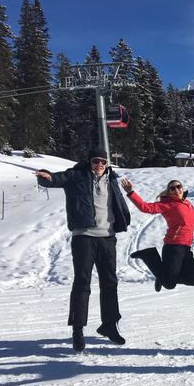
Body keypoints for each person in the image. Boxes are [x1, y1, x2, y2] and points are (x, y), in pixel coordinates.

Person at [35, 148, 131, 352]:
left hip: (107, 238)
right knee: (82, 283)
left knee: (110, 283)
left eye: (103, 162)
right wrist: (45, 176)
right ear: (89, 162)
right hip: (84, 237)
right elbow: (55, 179)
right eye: (96, 161)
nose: (99, 165)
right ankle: (77, 330)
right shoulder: (76, 175)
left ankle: (109, 325)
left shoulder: (111, 180)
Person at [121, 178, 194, 292]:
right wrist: (131, 193)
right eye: (172, 188)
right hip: (173, 247)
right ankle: (148, 255)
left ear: (182, 188)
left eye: (178, 186)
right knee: (169, 284)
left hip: (186, 247)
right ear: (169, 192)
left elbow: (191, 216)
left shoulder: (187, 203)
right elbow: (145, 207)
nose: (176, 189)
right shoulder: (167, 204)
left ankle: (161, 275)